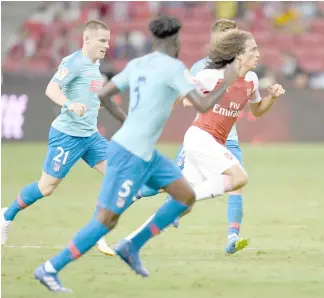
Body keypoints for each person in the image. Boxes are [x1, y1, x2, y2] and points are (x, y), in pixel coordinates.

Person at [33, 16, 241, 293]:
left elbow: (105, 95)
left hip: (144, 152)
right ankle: (50, 268)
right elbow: (202, 106)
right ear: (174, 42)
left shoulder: (137, 64)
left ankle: (131, 245)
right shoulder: (174, 68)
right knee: (106, 220)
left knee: (185, 195)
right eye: (178, 40)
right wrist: (226, 82)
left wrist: (127, 121)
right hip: (129, 153)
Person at [127, 28, 285, 254]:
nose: (258, 54)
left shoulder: (251, 79)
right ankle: (159, 194)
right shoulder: (213, 75)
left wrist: (272, 97)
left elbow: (257, 111)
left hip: (214, 142)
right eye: (253, 49)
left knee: (182, 207)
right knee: (239, 178)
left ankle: (133, 242)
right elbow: (180, 94)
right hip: (200, 138)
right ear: (239, 54)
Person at [0, 20, 116, 256]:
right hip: (67, 136)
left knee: (116, 175)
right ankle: (6, 216)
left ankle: (98, 233)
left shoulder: (96, 66)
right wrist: (70, 104)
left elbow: (90, 97)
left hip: (90, 137)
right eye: (102, 40)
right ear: (87, 40)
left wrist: (98, 107)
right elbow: (51, 89)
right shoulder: (73, 62)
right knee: (46, 187)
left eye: (108, 40)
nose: (107, 44)